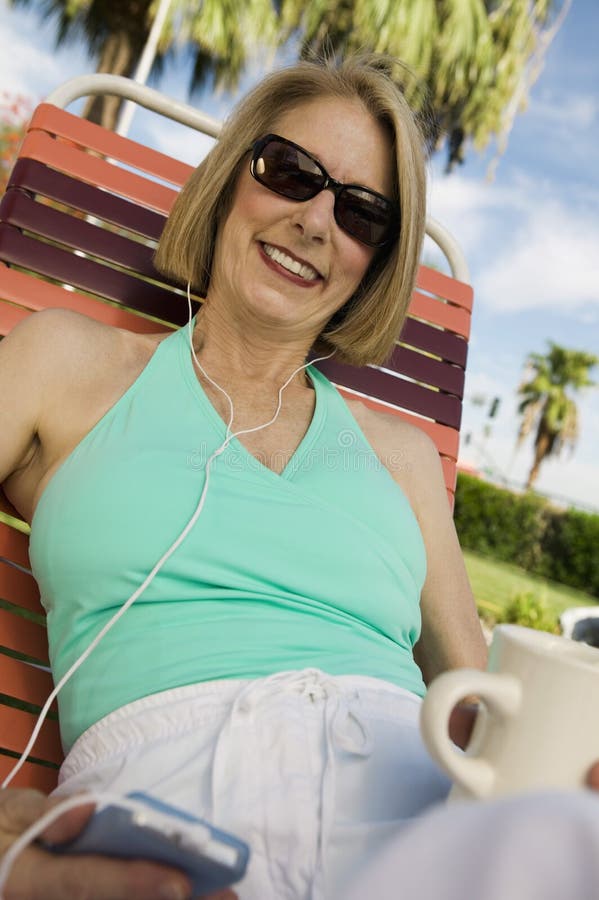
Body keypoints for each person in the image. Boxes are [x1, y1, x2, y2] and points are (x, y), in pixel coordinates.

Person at [1, 53, 490, 898]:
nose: (314, 221)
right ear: (232, 180)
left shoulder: (400, 456)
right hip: (175, 810)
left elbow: (482, 705)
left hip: (418, 813)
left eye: (362, 214)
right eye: (291, 173)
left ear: (373, 263)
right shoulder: (65, 363)